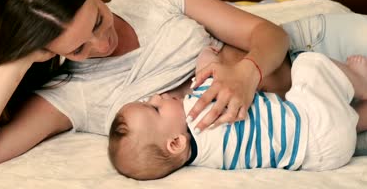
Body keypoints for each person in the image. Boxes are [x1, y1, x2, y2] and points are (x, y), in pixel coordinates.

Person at [0, 0, 367, 173]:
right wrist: (17, 59)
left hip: (312, 49)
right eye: (79, 47)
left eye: (98, 20)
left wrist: (246, 73)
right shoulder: (71, 96)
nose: (103, 43)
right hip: (312, 125)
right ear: (48, 53)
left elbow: (271, 35)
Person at [108, 49, 367, 180]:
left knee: (338, 119)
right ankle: (360, 80)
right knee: (308, 64)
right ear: (176, 142)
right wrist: (206, 54)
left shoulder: (207, 159)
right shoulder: (198, 111)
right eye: (154, 108)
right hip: (316, 123)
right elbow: (211, 73)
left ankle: (360, 117)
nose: (157, 96)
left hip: (324, 156)